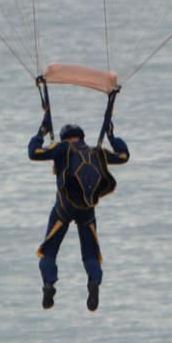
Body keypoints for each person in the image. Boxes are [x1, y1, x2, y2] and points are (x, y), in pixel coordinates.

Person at [28, 113, 129, 310]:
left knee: (48, 253)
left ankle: (49, 285)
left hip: (64, 209)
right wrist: (111, 136)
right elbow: (124, 156)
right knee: (91, 256)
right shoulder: (96, 152)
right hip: (87, 211)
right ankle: (93, 283)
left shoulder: (61, 148)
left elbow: (34, 153)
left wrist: (41, 132)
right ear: (82, 138)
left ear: (66, 138)